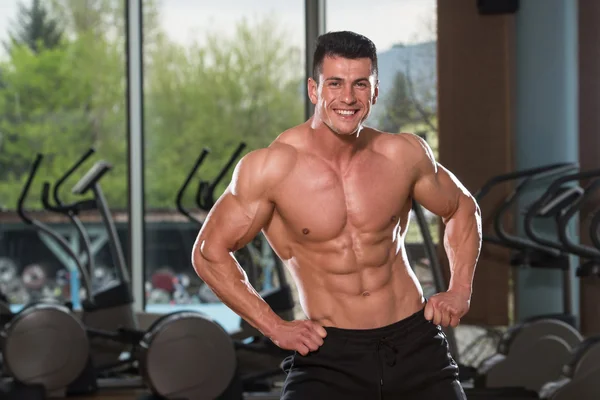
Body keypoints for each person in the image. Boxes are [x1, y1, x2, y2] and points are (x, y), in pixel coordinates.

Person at [191, 30, 482, 400]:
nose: (348, 97)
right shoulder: (272, 169)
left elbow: (462, 207)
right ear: (314, 90)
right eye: (335, 83)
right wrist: (274, 327)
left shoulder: (402, 155)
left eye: (360, 84)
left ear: (375, 91)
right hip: (329, 354)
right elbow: (208, 252)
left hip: (414, 343)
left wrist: (460, 290)